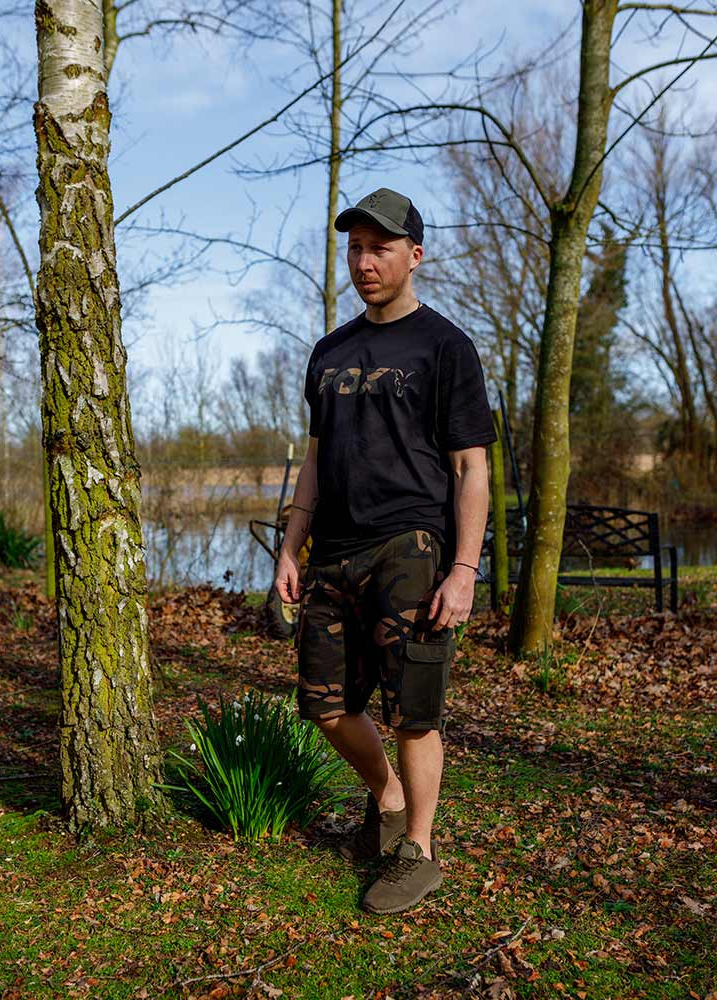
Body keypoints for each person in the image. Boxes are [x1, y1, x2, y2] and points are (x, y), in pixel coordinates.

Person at [274, 187, 496, 914]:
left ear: (415, 255)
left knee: (414, 710)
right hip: (333, 552)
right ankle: (389, 798)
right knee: (323, 705)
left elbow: (470, 468)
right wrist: (290, 546)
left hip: (411, 545)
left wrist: (464, 570)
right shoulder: (330, 351)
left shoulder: (445, 347)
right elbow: (315, 459)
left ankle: (418, 852)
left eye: (380, 249)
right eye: (355, 249)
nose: (364, 263)